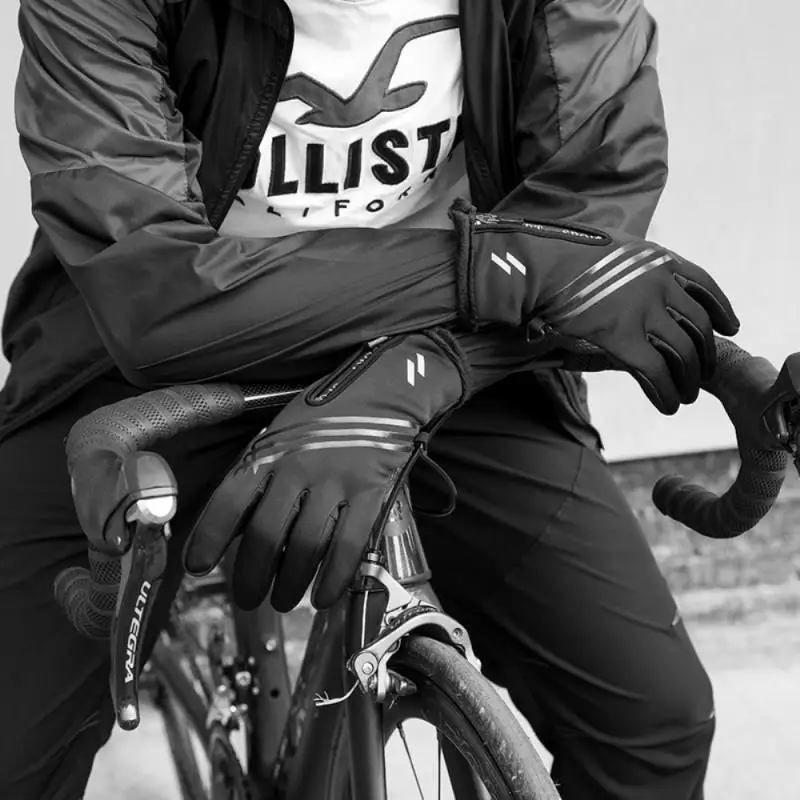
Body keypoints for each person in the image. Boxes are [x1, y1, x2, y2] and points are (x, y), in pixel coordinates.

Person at [0, 0, 740, 797]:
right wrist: (496, 266)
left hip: (455, 350)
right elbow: (152, 287)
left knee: (652, 727)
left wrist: (421, 371)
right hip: (153, 365)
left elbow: (588, 226)